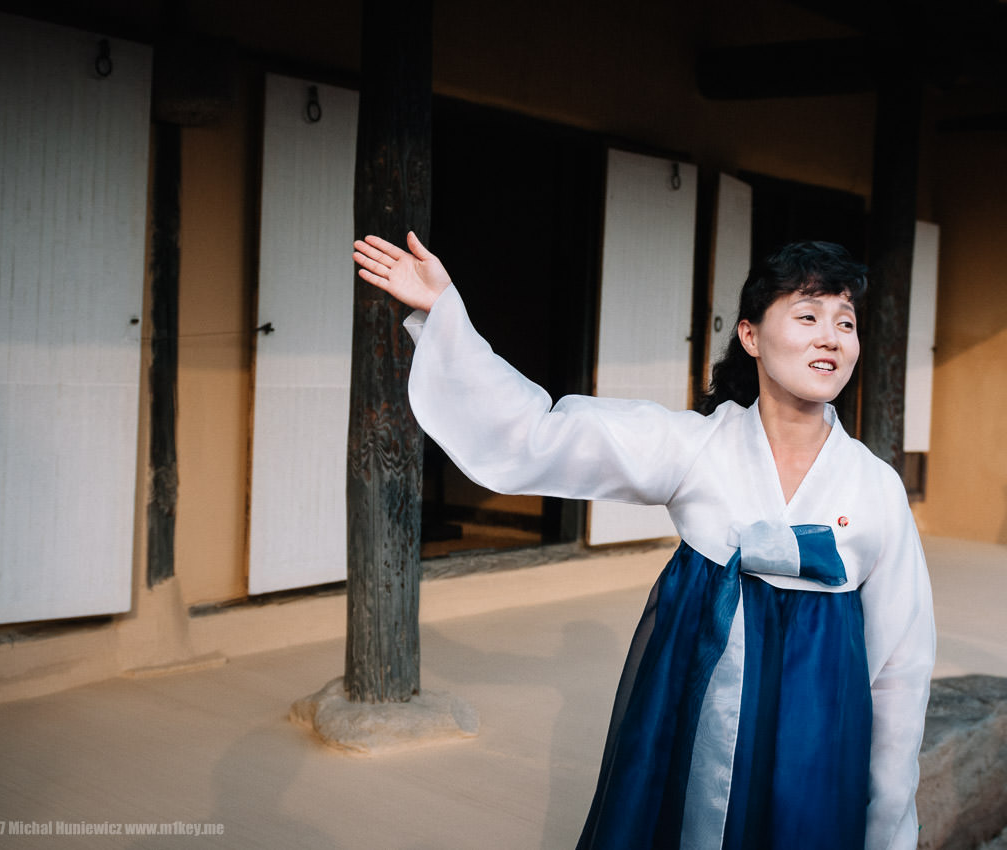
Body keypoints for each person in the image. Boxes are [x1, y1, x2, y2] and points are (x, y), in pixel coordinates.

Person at [353, 232, 935, 850]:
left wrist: (890, 823)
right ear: (751, 336)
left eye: (845, 322)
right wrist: (444, 315)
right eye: (808, 315)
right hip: (687, 726)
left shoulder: (876, 487)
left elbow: (901, 665)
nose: (830, 336)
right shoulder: (693, 448)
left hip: (817, 741)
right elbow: (541, 432)